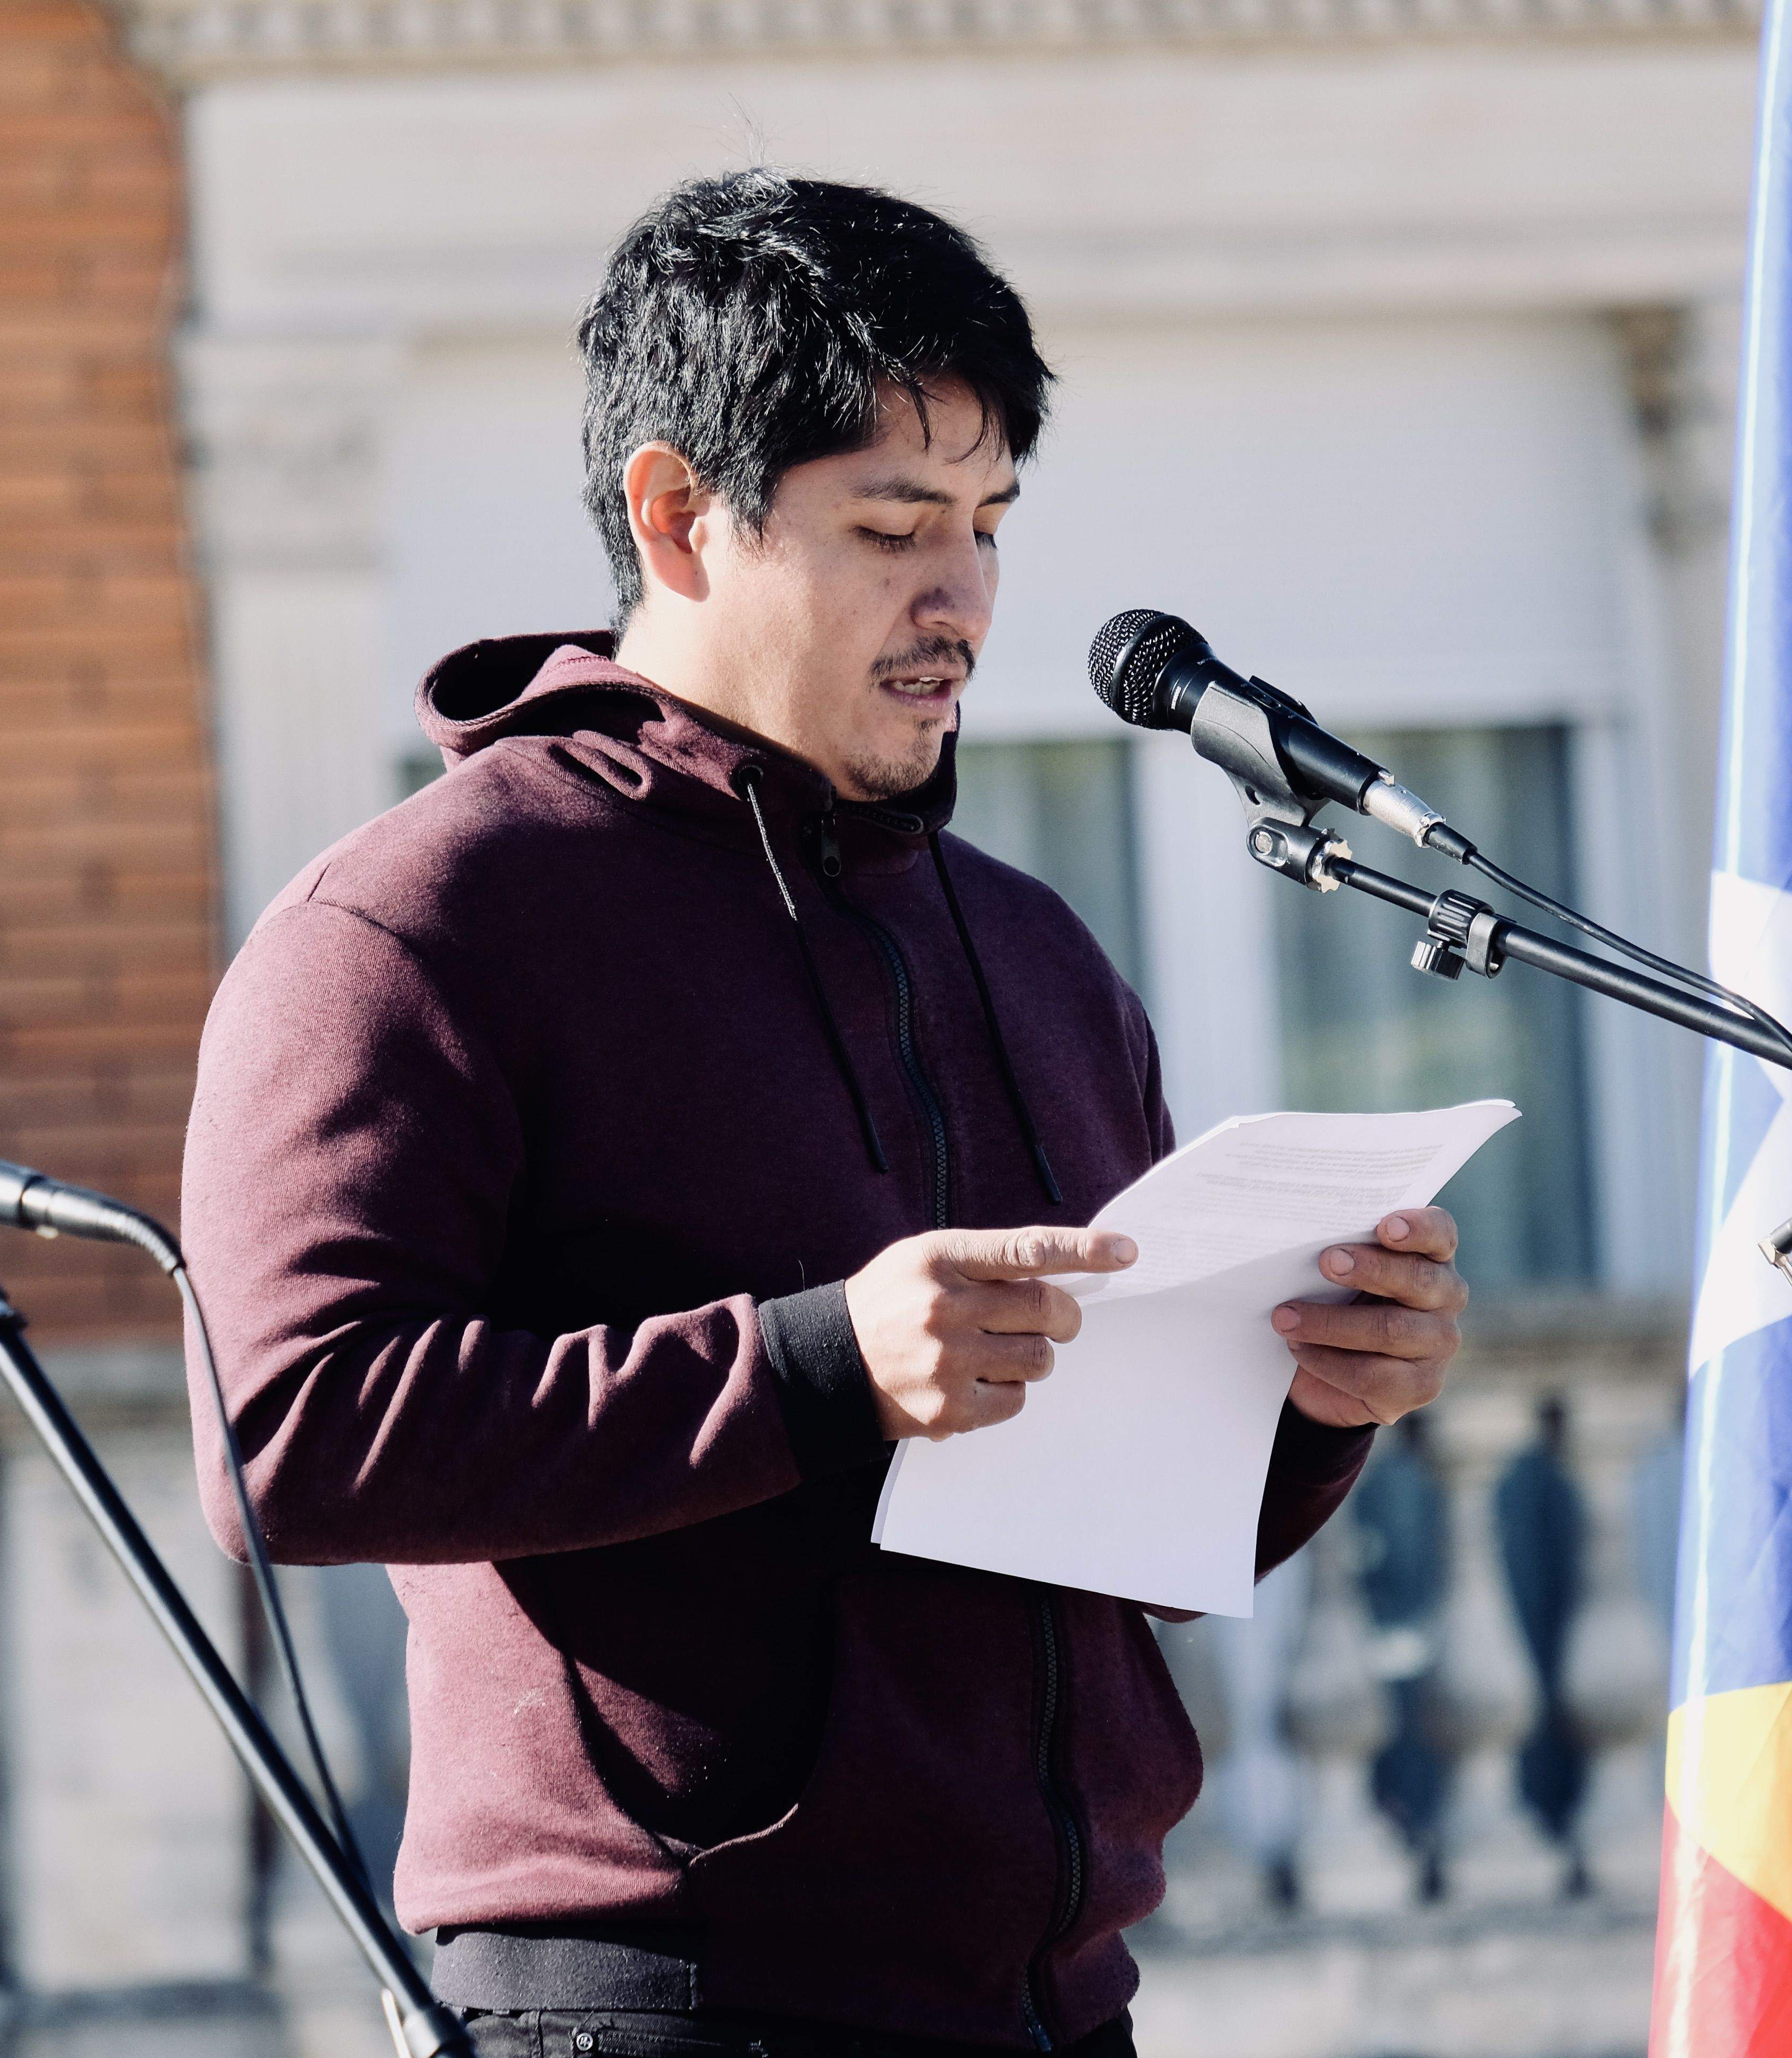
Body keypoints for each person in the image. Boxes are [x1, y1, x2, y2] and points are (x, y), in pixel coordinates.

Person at [181, 170, 1470, 2055]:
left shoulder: (1029, 950)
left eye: (990, 525)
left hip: (1058, 2006)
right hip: (665, 2007)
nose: (961, 600)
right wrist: (818, 1363)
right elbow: (285, 1439)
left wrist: (1308, 1404)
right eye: (891, 526)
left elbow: (1106, 1537)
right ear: (675, 514)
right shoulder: (416, 925)